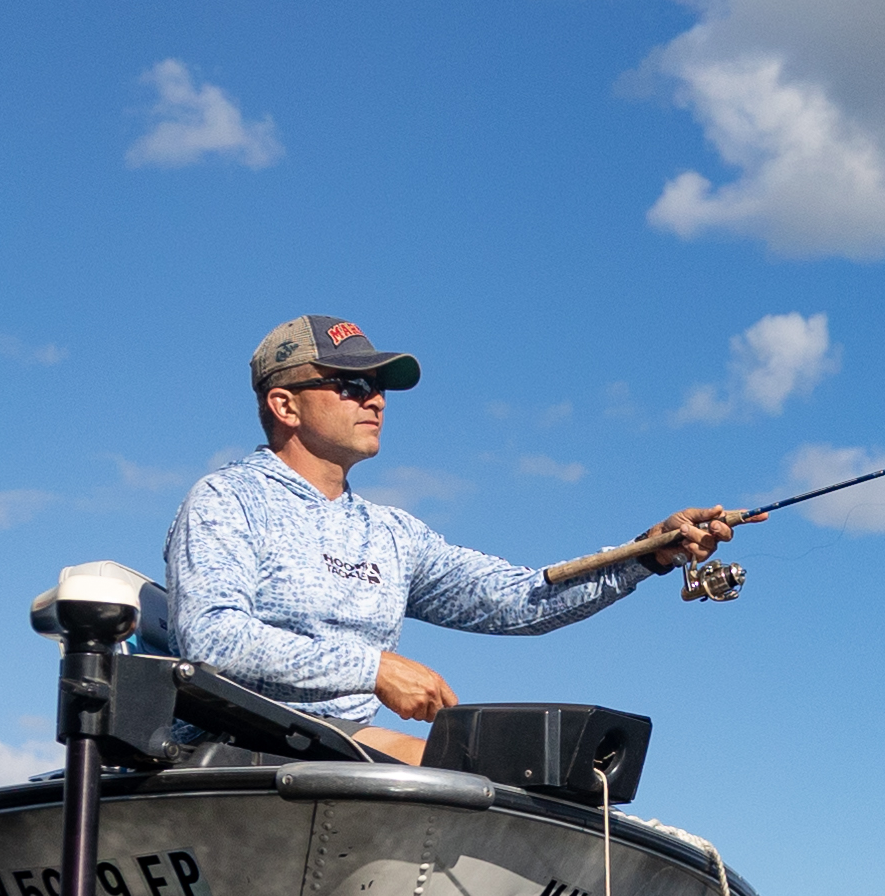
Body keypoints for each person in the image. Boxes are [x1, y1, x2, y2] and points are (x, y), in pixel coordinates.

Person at [165, 314, 742, 765]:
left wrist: (648, 554)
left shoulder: (392, 534)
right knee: (449, 775)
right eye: (352, 383)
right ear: (284, 404)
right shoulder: (226, 499)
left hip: (342, 755)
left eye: (381, 385)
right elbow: (211, 641)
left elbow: (518, 599)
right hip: (232, 756)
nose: (376, 398)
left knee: (538, 780)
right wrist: (371, 670)